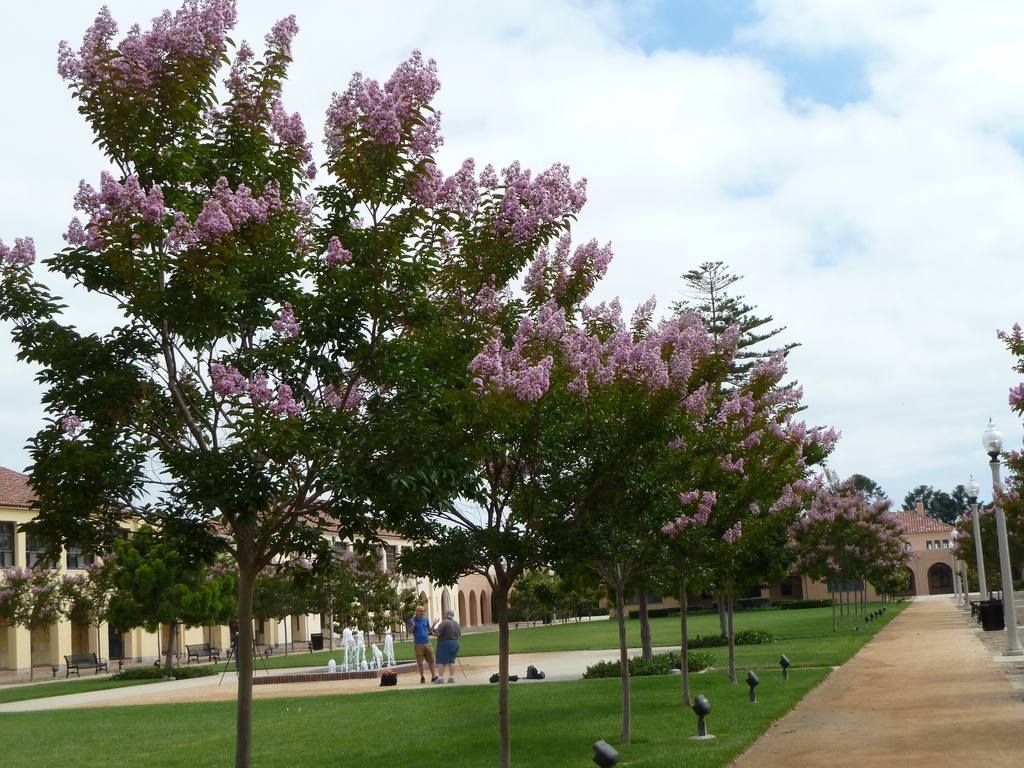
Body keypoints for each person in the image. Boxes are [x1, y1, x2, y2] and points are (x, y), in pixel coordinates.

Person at [408, 605, 438, 683]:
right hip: (418, 644)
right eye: (421, 611)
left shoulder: (426, 619)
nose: (423, 612)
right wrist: (413, 626)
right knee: (420, 662)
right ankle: (422, 677)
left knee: (431, 660)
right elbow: (410, 632)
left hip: (427, 642)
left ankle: (433, 676)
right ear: (417, 612)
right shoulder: (412, 620)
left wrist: (434, 624)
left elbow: (430, 630)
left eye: (423, 611)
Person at [432, 608, 462, 683]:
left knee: (441, 660)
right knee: (452, 660)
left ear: (446, 615)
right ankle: (451, 677)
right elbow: (459, 634)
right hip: (455, 643)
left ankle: (441, 678)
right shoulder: (456, 623)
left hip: (445, 643)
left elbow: (438, 633)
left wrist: (433, 634)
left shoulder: (444, 623)